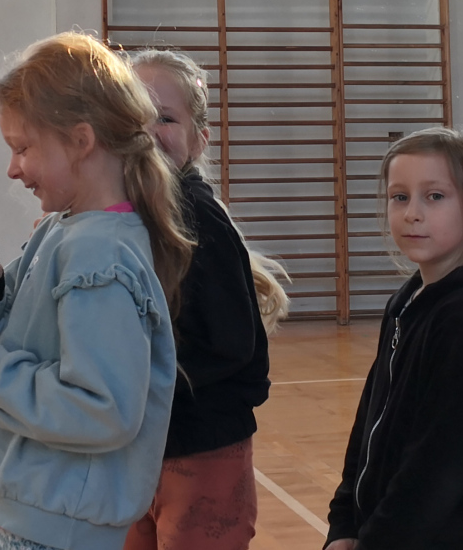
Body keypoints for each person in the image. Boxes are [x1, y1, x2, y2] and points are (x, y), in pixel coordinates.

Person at [0, 32, 194, 550]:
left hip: (55, 526)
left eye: (22, 148)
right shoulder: (64, 229)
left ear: (80, 141)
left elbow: (101, 409)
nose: (13, 168)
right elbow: (29, 343)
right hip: (35, 510)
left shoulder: (99, 253)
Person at [325, 126, 463, 550]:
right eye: (400, 197)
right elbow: (367, 425)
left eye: (434, 196)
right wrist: (344, 524)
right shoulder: (406, 301)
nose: (413, 212)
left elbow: (438, 466)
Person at [124, 49, 285, 550]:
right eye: (135, 117)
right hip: (134, 449)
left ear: (199, 139)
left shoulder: (196, 215)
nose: (149, 132)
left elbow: (233, 347)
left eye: (166, 119)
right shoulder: (116, 218)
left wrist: (138, 382)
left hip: (199, 449)